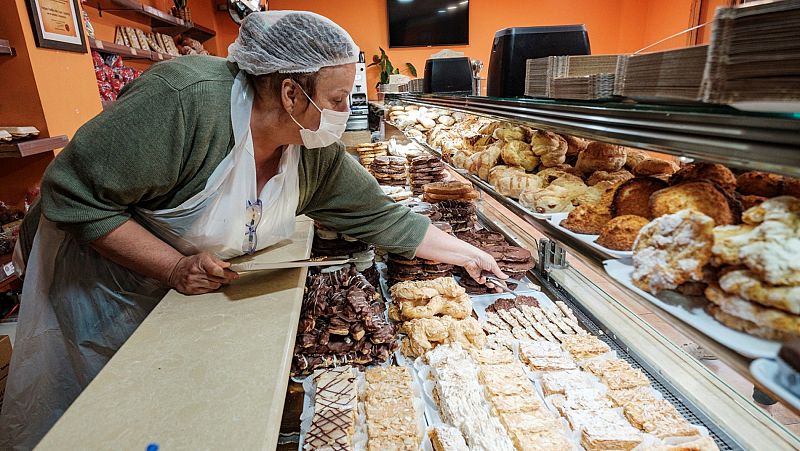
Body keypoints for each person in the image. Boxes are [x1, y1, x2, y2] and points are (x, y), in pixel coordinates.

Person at [0, 11, 506, 449]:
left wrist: (467, 254)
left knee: (166, 401)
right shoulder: (185, 102)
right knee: (97, 406)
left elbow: (382, 216)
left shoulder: (314, 151)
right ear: (290, 91)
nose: (344, 112)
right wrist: (172, 266)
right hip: (95, 270)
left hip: (184, 278)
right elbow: (72, 193)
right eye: (336, 98)